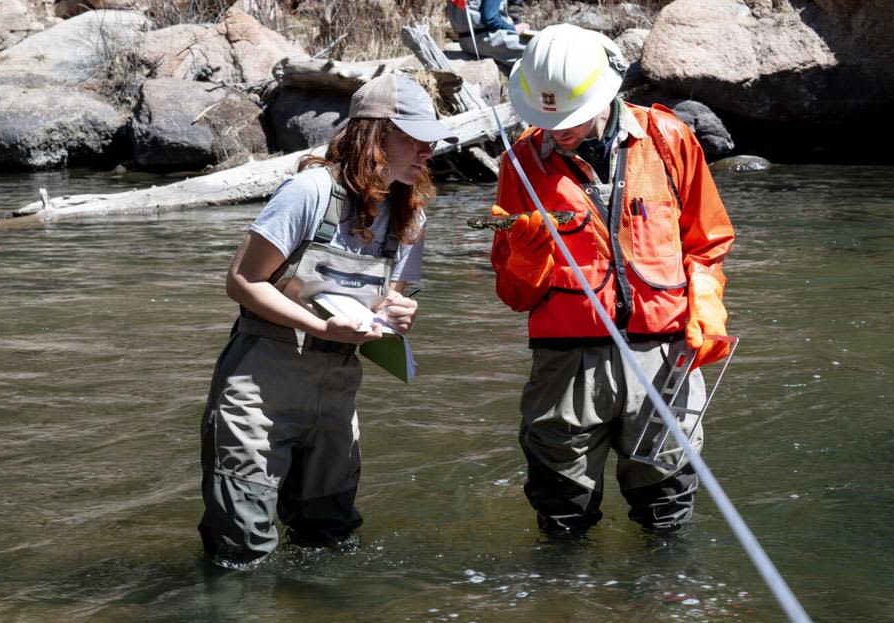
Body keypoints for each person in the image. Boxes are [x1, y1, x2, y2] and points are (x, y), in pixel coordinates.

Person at [198, 73, 457, 567]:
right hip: (261, 386)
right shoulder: (309, 191)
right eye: (416, 138)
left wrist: (394, 313)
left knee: (330, 539)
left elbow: (383, 305)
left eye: (431, 139)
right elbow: (242, 281)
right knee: (242, 548)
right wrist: (320, 328)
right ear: (376, 134)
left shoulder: (411, 217)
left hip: (337, 393)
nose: (429, 150)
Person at [489, 24, 736, 534]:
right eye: (546, 119)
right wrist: (526, 258)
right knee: (561, 512)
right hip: (565, 368)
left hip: (665, 355)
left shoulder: (670, 140)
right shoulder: (519, 163)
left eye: (572, 120)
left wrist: (706, 305)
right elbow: (514, 295)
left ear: (607, 95)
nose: (558, 131)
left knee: (668, 505)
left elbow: (706, 242)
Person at [447, 0, 530, 67]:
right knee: (535, 49)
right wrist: (514, 28)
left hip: (465, 40)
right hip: (485, 38)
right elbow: (490, 19)